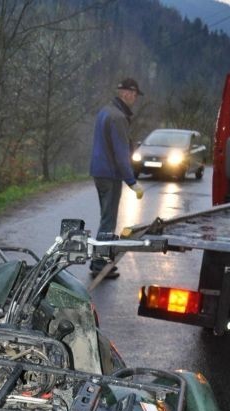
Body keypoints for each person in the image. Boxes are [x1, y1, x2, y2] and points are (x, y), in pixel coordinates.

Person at [89, 78, 144, 278]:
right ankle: (98, 263)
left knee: (106, 217)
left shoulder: (105, 111)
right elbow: (121, 156)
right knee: (108, 219)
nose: (135, 99)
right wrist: (132, 182)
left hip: (99, 171)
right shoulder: (118, 117)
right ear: (126, 93)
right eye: (135, 94)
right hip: (110, 174)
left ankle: (99, 259)